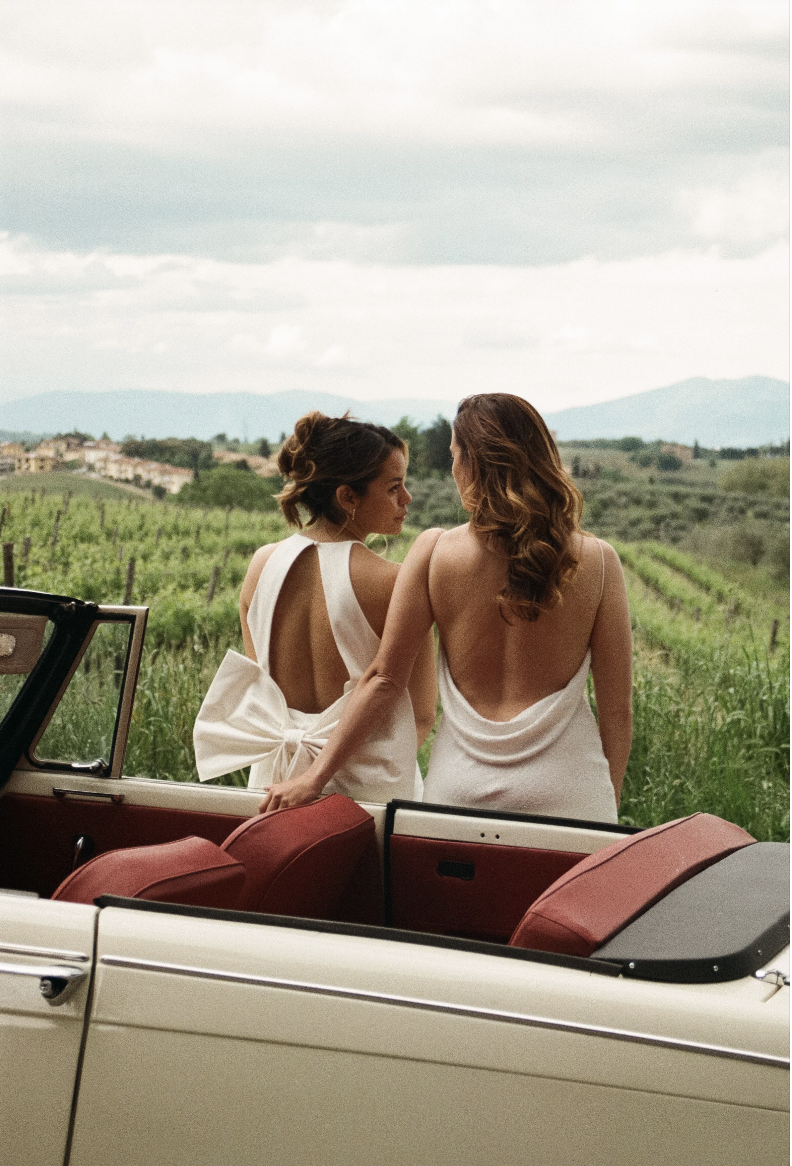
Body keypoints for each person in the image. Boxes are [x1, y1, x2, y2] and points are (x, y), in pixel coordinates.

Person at [257, 393, 632, 823]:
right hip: (571, 791)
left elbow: (383, 678)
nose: (453, 469)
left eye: (455, 456)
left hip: (459, 792)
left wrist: (315, 777)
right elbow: (616, 711)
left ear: (472, 465)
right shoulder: (600, 562)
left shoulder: (433, 552)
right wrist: (608, 799)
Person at [193, 412, 436, 804]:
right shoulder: (396, 583)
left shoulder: (261, 566)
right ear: (347, 497)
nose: (406, 499)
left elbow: (262, 691)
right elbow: (422, 716)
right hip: (366, 791)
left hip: (275, 782)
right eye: (394, 487)